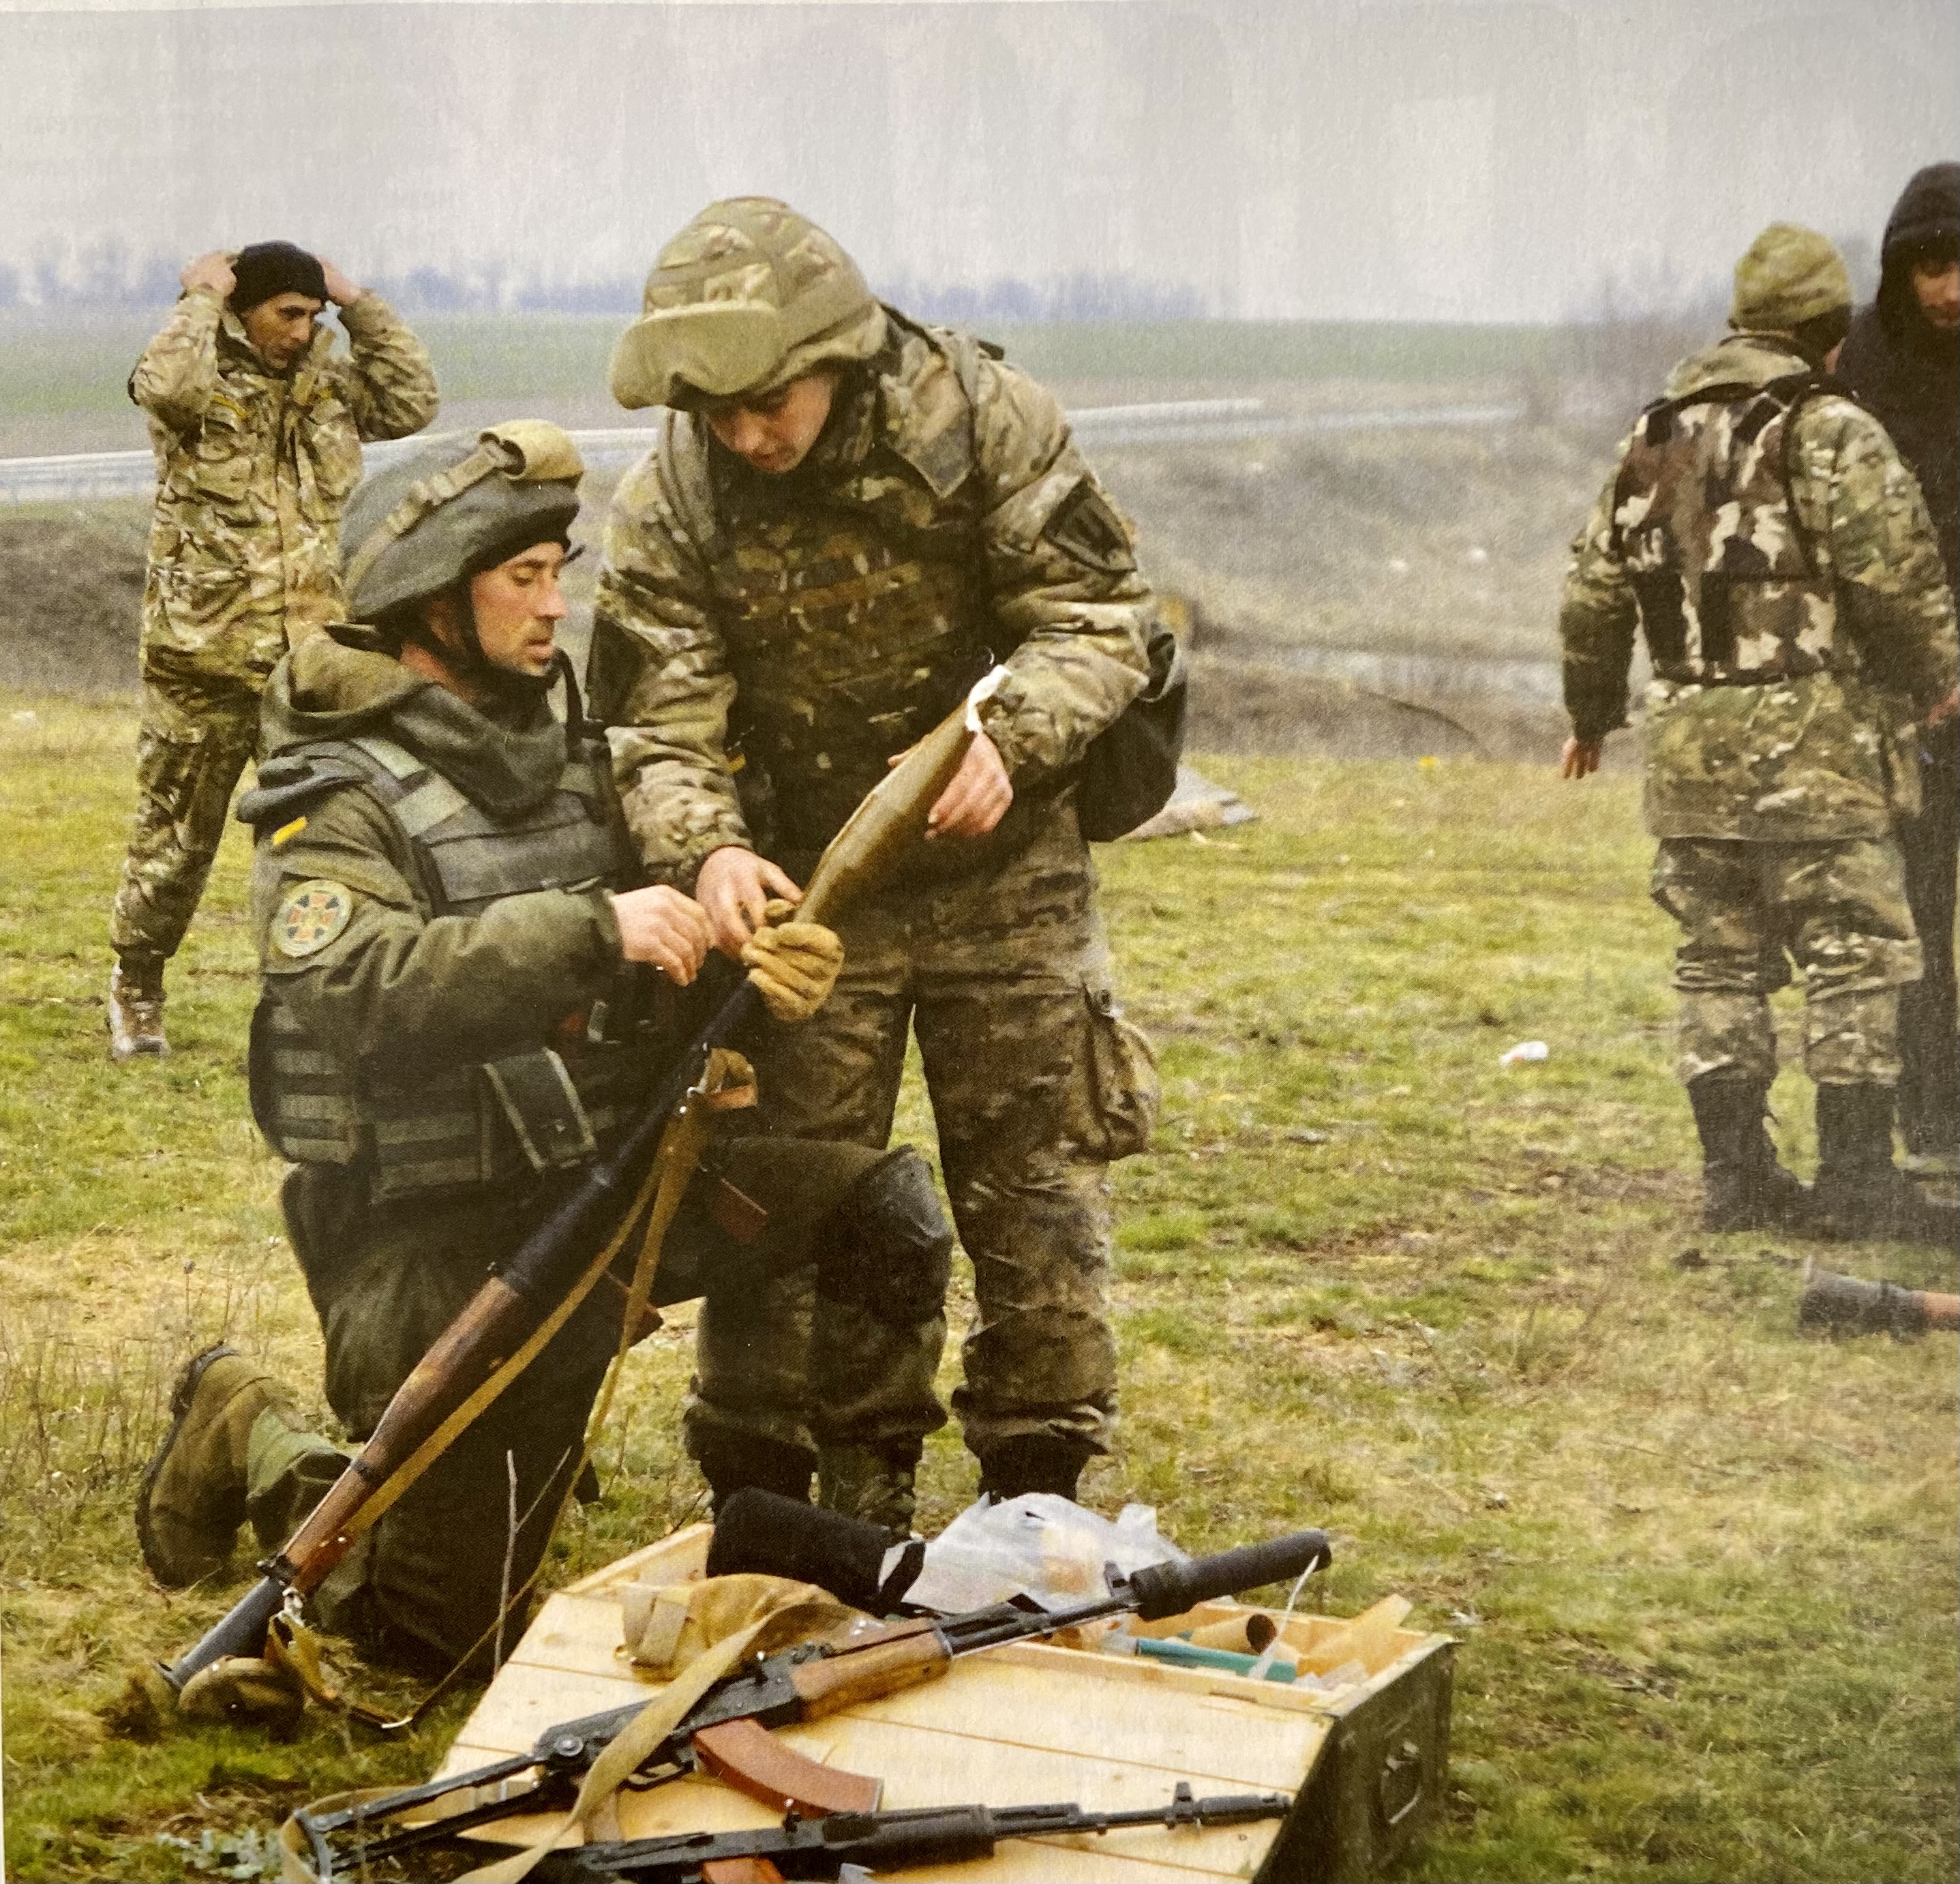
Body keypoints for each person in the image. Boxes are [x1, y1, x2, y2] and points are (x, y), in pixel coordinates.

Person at [134, 423, 954, 1678]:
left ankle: (853, 1555)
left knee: (883, 1210)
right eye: (522, 577)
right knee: (441, 1640)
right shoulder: (332, 789)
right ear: (433, 598)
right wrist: (593, 929)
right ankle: (251, 1425)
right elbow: (354, 985)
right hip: (429, 1243)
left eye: (556, 572)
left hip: (607, 1195)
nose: (555, 604)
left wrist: (749, 953)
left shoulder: (570, 752)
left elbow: (658, 942)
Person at [590, 198, 1161, 1530]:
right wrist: (709, 849)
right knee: (791, 1191)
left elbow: (1098, 617)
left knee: (1036, 1187)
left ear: (835, 356)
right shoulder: (675, 496)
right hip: (807, 889)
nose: (747, 437)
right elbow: (658, 721)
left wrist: (1014, 737)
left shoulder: (986, 421)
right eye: (716, 413)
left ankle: (1036, 1489)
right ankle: (810, 1497)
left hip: (1006, 872)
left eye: (767, 403)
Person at [1559, 223, 1959, 1246]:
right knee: (1853, 953)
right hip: (1819, 744)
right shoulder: (1832, 430)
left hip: (1689, 748)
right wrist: (1937, 680)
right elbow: (1894, 575)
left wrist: (1590, 713)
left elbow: (1593, 590)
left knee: (1716, 958)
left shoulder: (1653, 434)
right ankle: (1857, 1181)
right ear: (1828, 332)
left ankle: (1735, 1178)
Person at [107, 241, 440, 1062]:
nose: (301, 330)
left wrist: (356, 301)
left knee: (324, 838)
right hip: (205, 661)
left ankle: (317, 996)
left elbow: (414, 401)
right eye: (286, 313)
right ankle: (137, 985)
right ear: (241, 310)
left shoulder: (328, 387)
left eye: (311, 315)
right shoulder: (199, 386)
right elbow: (162, 386)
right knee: (175, 841)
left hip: (311, 665)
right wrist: (199, 299)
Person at [1838, 163, 1959, 1169]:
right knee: (1914, 902)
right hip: (1902, 690)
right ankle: (1932, 1109)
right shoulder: (1858, 363)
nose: (1950, 290)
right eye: (1930, 267)